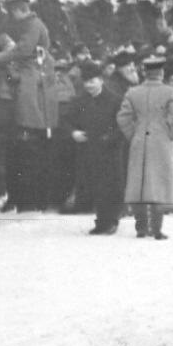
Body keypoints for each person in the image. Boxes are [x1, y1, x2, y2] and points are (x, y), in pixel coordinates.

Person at [0, 0, 60, 211]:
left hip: (33, 67)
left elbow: (23, 50)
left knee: (25, 88)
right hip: (27, 62)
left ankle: (29, 121)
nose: (12, 16)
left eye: (13, 12)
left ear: (21, 10)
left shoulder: (33, 25)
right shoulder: (29, 23)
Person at [116, 56, 173, 239]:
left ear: (145, 73)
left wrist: (133, 134)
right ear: (161, 73)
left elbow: (123, 117)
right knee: (159, 184)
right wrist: (171, 136)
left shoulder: (132, 92)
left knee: (139, 184)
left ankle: (140, 227)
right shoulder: (170, 92)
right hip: (161, 141)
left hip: (139, 140)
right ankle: (156, 229)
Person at [64, 61, 127, 235]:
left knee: (112, 185)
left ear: (101, 80)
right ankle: (101, 221)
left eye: (92, 81)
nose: (89, 85)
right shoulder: (80, 100)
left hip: (110, 150)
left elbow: (123, 125)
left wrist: (110, 138)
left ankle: (112, 220)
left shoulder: (115, 99)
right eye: (86, 82)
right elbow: (67, 120)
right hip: (89, 149)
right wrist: (74, 132)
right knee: (96, 185)